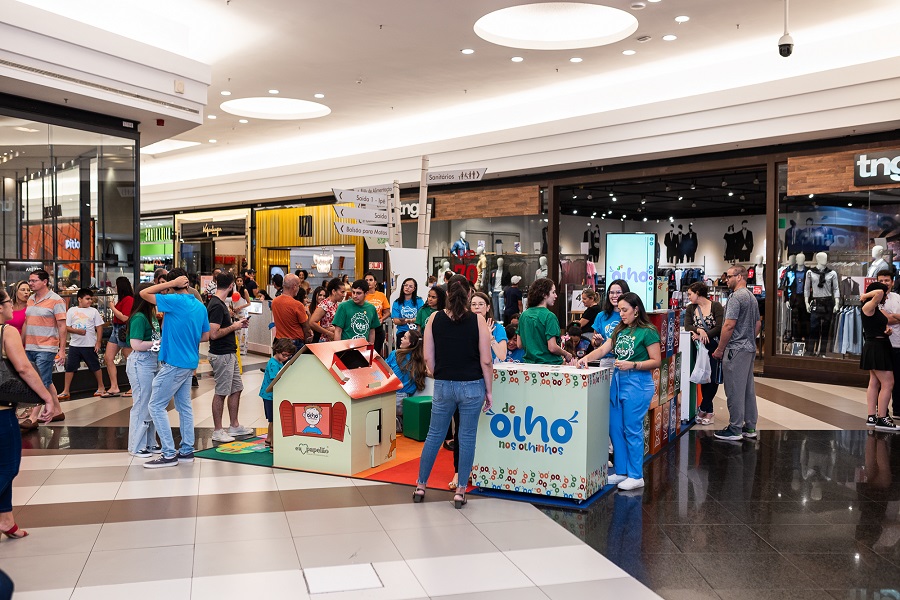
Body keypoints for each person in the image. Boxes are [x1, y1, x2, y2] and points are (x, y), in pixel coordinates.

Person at [415, 274, 493, 509]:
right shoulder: (478, 321)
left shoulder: (433, 319)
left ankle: (420, 485)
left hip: (443, 385)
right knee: (467, 437)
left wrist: (438, 372)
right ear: (470, 294)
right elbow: (486, 361)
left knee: (434, 436)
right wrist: (489, 391)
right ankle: (460, 492)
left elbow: (428, 356)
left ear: (446, 294)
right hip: (472, 386)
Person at [578, 292, 661, 490]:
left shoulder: (648, 331)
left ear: (636, 309)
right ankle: (622, 471)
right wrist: (586, 358)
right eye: (619, 310)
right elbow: (603, 349)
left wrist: (632, 364)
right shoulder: (620, 330)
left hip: (638, 384)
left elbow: (656, 361)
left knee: (632, 429)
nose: (621, 314)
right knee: (615, 427)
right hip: (617, 382)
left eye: (625, 310)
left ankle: (636, 475)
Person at [140, 269, 210, 468]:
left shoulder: (174, 301)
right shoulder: (199, 306)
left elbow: (144, 294)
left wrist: (167, 285)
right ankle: (186, 450)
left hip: (174, 363)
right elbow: (205, 336)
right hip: (189, 362)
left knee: (155, 405)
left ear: (172, 285)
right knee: (184, 406)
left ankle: (169, 453)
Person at [1, 287, 54, 540]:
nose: (13, 306)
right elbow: (23, 368)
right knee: (8, 466)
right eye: (9, 302)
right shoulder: (7, 331)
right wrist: (45, 397)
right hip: (1, 412)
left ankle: (6, 520)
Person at [712, 265, 762, 441]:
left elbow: (729, 325)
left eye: (730, 276)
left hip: (735, 349)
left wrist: (720, 349)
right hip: (748, 349)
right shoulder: (751, 297)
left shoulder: (735, 298)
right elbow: (757, 324)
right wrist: (748, 339)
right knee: (747, 389)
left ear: (740, 277)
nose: (726, 279)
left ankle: (735, 428)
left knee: (734, 389)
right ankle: (750, 426)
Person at [207, 272, 253, 443]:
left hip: (229, 352)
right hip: (221, 354)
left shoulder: (220, 303)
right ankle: (218, 430)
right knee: (221, 392)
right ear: (232, 285)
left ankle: (234, 425)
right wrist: (234, 326)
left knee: (236, 388)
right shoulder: (217, 305)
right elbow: (214, 333)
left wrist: (237, 324)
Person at [19, 269, 64, 429]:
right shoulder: (31, 299)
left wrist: (62, 349)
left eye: (33, 281)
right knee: (45, 380)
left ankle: (33, 417)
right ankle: (57, 410)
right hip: (30, 346)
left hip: (46, 347)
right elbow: (27, 322)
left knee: (40, 381)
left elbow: (61, 326)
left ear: (44, 282)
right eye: (29, 281)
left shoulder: (56, 300)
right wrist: (21, 343)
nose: (30, 283)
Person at [126, 283, 161, 458]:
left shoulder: (151, 315)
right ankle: (136, 445)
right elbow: (136, 344)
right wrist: (159, 344)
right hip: (141, 363)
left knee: (152, 403)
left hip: (152, 361)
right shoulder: (139, 317)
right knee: (141, 403)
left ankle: (150, 442)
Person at [683, 281, 725, 426]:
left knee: (713, 378)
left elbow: (720, 327)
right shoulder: (690, 308)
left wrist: (705, 334)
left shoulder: (716, 306)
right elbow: (687, 325)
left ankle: (703, 408)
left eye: (690, 294)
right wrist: (699, 331)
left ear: (698, 293)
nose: (688, 297)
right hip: (698, 347)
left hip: (714, 346)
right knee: (703, 376)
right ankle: (708, 410)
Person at [858, 282, 897, 431]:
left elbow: (878, 325)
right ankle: (882, 418)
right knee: (888, 383)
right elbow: (880, 292)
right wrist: (865, 295)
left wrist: (886, 330)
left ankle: (872, 416)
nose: (886, 297)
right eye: (885, 295)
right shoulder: (867, 307)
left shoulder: (876, 309)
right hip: (876, 348)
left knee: (874, 382)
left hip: (879, 346)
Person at [58, 288, 106, 400]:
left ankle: (101, 386)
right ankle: (66, 390)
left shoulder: (93, 311)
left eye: (91, 299)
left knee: (95, 366)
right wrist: (77, 331)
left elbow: (99, 327)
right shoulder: (71, 311)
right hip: (75, 345)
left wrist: (98, 342)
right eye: (87, 299)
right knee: (70, 368)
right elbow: (67, 327)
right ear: (80, 299)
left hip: (89, 344)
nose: (90, 301)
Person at [518, 278, 572, 365]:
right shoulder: (549, 316)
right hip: (550, 365)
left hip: (529, 365)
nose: (556, 296)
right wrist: (566, 353)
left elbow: (519, 344)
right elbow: (552, 347)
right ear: (544, 294)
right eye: (553, 292)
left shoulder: (523, 315)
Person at [385, 329, 427, 433]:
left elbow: (383, 369)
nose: (401, 339)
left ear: (410, 343)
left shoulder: (395, 354)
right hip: (405, 401)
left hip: (392, 398)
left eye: (404, 337)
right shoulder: (420, 361)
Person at [260, 339, 298, 450]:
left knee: (272, 420)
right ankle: (274, 445)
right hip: (270, 396)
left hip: (270, 396)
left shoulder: (279, 362)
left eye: (288, 356)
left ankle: (269, 439)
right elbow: (275, 379)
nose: (286, 358)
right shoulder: (273, 363)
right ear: (277, 351)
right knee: (275, 420)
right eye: (284, 355)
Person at [876, 270, 900, 420]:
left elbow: (889, 317)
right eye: (881, 280)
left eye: (887, 280)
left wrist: (891, 316)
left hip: (898, 344)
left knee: (898, 378)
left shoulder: (898, 297)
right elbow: (887, 320)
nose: (885, 283)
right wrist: (895, 317)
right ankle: (881, 411)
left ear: (892, 282)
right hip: (882, 344)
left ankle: (897, 409)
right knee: (882, 381)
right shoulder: (875, 299)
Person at [104, 276, 134, 397]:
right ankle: (114, 386)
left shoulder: (128, 299)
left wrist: (112, 307)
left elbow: (125, 317)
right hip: (116, 329)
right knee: (108, 357)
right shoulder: (122, 299)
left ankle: (134, 386)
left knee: (129, 358)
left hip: (123, 329)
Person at [591, 279, 630, 367]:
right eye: (611, 292)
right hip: (606, 361)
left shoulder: (630, 315)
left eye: (618, 292)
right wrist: (597, 342)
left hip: (627, 361)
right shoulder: (601, 316)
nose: (614, 296)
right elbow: (593, 341)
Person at [271, 274, 310, 352]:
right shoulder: (298, 305)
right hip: (295, 343)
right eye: (299, 286)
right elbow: (305, 327)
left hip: (280, 341)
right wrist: (307, 338)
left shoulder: (274, 301)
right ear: (294, 286)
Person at [470, 291, 507, 362]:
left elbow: (502, 356)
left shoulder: (498, 328)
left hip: (491, 369)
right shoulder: (466, 327)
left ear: (488, 307)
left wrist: (490, 337)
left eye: (481, 304)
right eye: (473, 304)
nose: (477, 307)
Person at [392, 278, 424, 348]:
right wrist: (412, 320)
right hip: (402, 333)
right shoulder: (397, 303)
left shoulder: (419, 301)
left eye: (410, 286)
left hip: (416, 333)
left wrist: (408, 320)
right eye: (405, 285)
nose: (407, 288)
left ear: (414, 289)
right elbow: (395, 321)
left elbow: (421, 317)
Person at [309, 278, 342, 342]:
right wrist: (328, 332)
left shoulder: (335, 304)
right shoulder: (325, 304)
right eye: (342, 292)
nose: (344, 295)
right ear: (334, 291)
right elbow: (312, 322)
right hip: (325, 341)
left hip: (333, 340)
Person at [364, 272, 390, 354]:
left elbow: (387, 312)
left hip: (378, 327)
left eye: (371, 280)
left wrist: (382, 319)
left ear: (375, 282)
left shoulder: (381, 295)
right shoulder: (362, 295)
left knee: (375, 353)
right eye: (366, 280)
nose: (368, 282)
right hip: (365, 327)